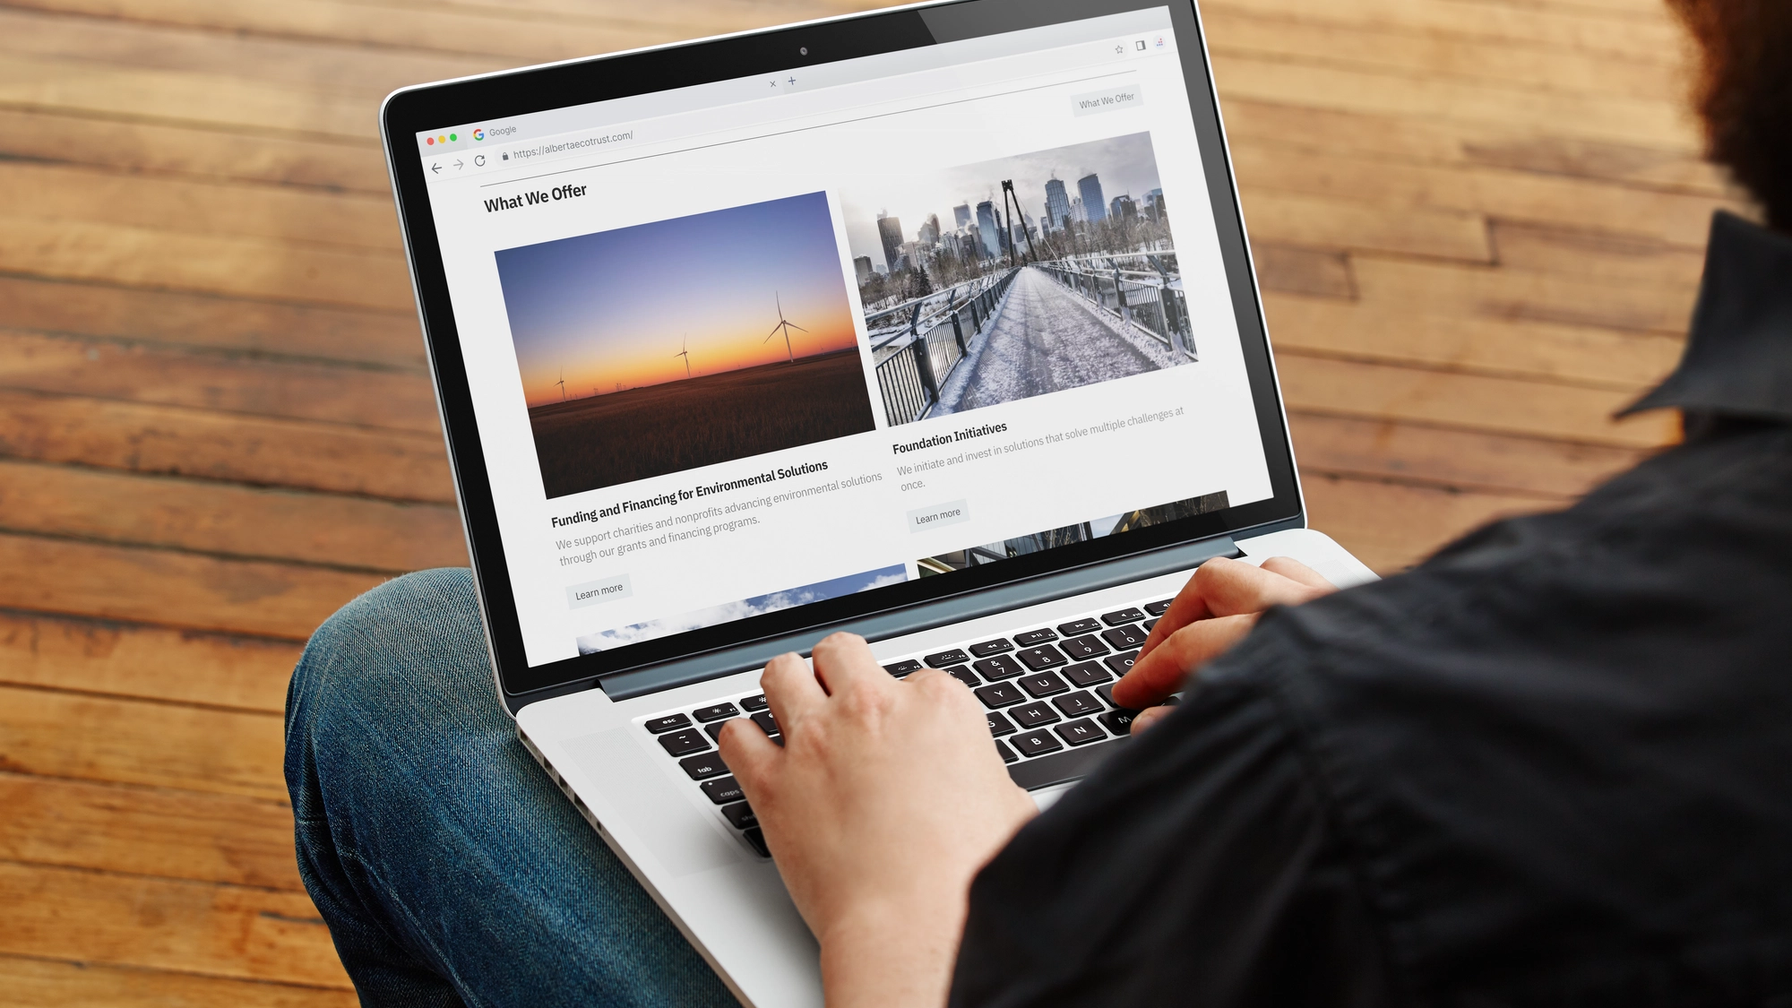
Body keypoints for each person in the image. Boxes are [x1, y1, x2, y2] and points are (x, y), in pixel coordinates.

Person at [285, 1, 1792, 1003]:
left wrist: (903, 895)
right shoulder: (1636, 630)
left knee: (393, 674)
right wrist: (1451, 690)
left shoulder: (1351, 748)